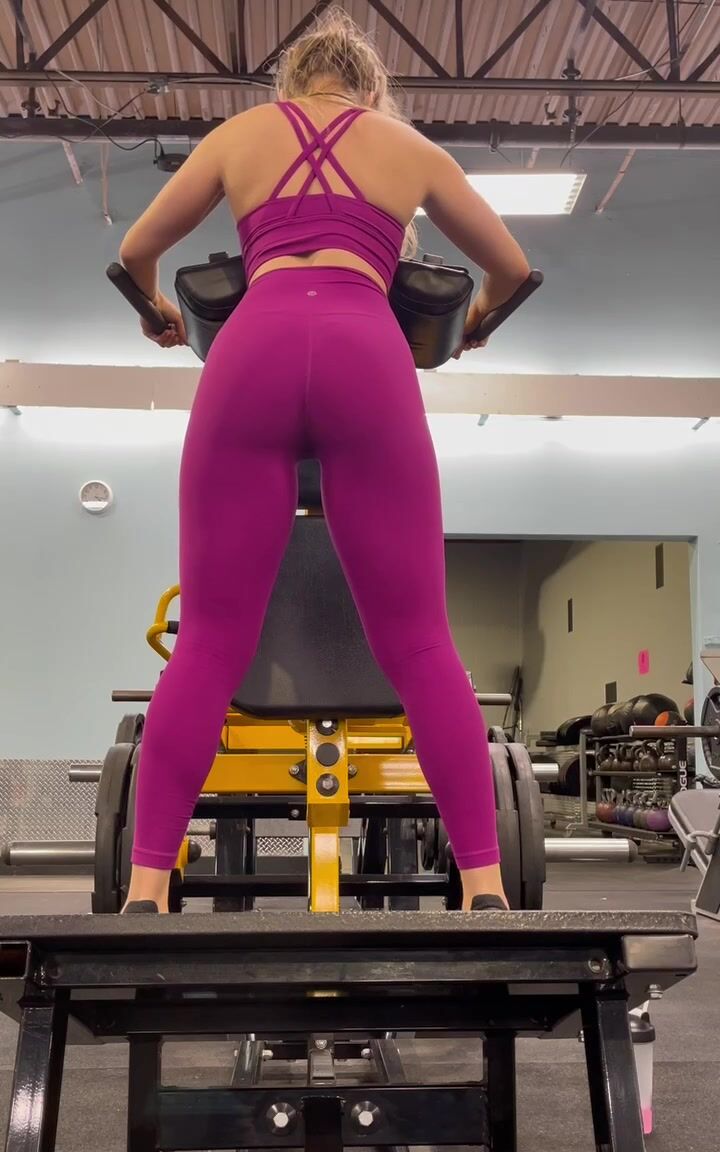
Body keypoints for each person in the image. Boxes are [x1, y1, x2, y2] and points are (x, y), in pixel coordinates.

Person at [118, 7, 530, 915]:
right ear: (371, 88)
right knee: (420, 641)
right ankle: (484, 886)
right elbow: (511, 267)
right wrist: (473, 326)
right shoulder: (408, 148)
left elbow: (134, 251)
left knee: (209, 643)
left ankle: (146, 887)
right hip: (366, 353)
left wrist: (159, 313)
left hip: (251, 352)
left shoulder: (239, 135)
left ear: (292, 82)